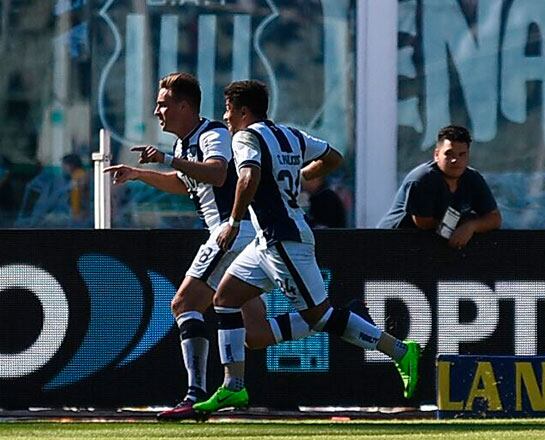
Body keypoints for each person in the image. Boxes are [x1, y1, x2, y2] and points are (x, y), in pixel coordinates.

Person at [192, 80, 421, 413]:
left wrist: (234, 221)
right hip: (266, 240)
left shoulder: (245, 137)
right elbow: (333, 157)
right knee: (224, 299)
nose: (225, 117)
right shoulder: (291, 135)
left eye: (228, 109)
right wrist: (300, 176)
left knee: (320, 317)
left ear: (243, 110)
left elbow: (248, 176)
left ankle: (400, 350)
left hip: (283, 238)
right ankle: (233, 386)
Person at [104, 73, 314, 420]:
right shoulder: (184, 144)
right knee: (256, 335)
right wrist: (140, 174)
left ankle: (194, 394)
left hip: (230, 233)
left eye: (163, 104)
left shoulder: (212, 134)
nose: (157, 111)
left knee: (184, 302)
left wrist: (167, 161)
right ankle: (337, 318)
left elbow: (216, 174)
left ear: (184, 106)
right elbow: (184, 183)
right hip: (247, 237)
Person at [376, 125, 501, 249]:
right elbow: (423, 222)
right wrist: (461, 224)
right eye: (449, 154)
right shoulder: (423, 178)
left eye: (461, 154)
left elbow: (494, 218)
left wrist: (471, 227)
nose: (454, 160)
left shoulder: (473, 179)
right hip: (393, 244)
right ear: (436, 155)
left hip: (435, 247)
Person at [61, 153, 89, 225]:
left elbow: (79, 197)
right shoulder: (76, 176)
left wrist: (77, 214)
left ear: (71, 165)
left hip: (80, 215)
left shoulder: (78, 176)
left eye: (64, 165)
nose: (63, 168)